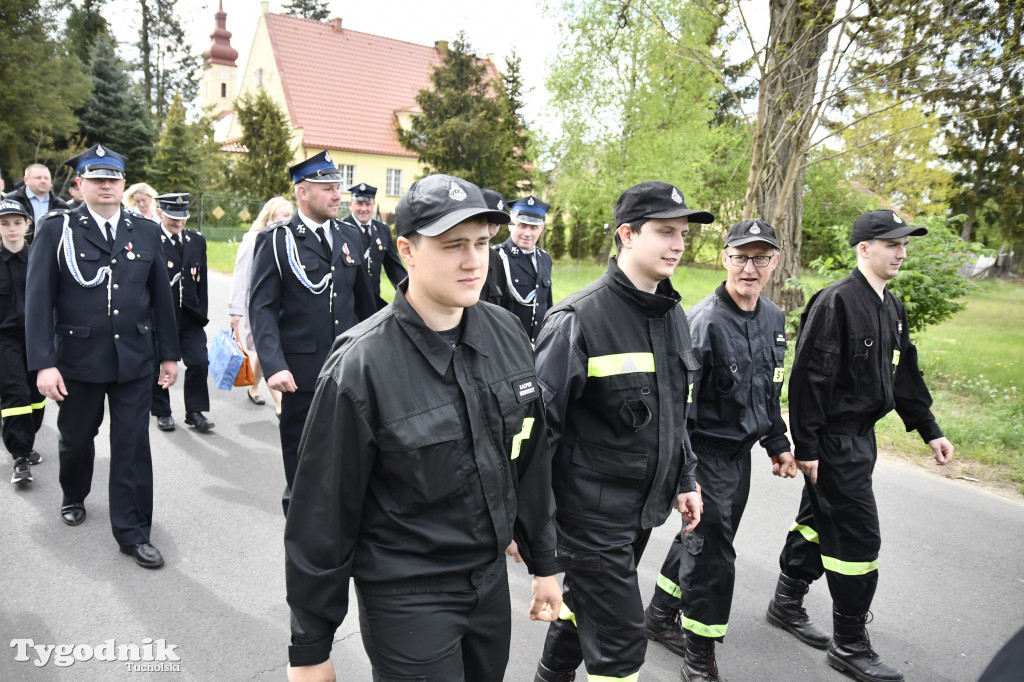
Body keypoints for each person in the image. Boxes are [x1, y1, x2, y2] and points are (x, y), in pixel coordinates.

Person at [285, 173, 562, 682]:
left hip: (488, 583)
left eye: (481, 243)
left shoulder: (505, 332)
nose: (473, 260)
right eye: (453, 245)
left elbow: (530, 456)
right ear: (407, 250)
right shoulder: (361, 365)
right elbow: (321, 514)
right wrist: (310, 648)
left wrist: (545, 561)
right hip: (408, 593)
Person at [767, 209, 955, 682]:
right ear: (864, 249)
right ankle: (849, 643)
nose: (901, 252)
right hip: (832, 442)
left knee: (817, 522)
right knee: (858, 539)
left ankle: (786, 602)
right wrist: (807, 446)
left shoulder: (891, 305)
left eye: (905, 244)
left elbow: (904, 373)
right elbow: (809, 380)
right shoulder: (836, 303)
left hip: (861, 440)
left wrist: (930, 428)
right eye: (892, 244)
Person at [532, 181, 708, 682]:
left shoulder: (672, 312)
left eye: (683, 234)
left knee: (583, 605)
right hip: (588, 515)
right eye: (665, 232)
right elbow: (536, 432)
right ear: (627, 235)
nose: (678, 244)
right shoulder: (577, 319)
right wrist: (528, 523)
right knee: (622, 645)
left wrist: (685, 479)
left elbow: (674, 411)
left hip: (639, 508)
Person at [643, 218, 798, 681]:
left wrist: (777, 442)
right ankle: (699, 659)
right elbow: (679, 412)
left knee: (700, 541)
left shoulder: (773, 317)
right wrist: (685, 476)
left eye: (761, 258)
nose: (750, 267)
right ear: (725, 259)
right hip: (704, 455)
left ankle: (658, 615)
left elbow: (768, 390)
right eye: (741, 257)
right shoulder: (702, 322)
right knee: (713, 557)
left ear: (775, 262)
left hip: (740, 457)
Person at [26, 143, 180, 569]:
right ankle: (74, 492)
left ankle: (133, 533)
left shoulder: (145, 230)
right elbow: (38, 302)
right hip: (77, 359)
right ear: (79, 186)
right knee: (76, 440)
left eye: (113, 178)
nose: (106, 185)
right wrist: (43, 363)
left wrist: (169, 354)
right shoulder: (58, 230)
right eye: (97, 179)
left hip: (133, 359)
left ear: (124, 184)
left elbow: (161, 301)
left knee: (132, 447)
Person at [249, 151, 376, 516]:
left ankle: (343, 518)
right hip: (300, 372)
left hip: (350, 368)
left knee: (351, 450)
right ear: (302, 192)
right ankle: (302, 522)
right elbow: (263, 308)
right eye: (328, 188)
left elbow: (365, 305)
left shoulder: (351, 235)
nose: (338, 195)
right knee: (303, 455)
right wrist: (273, 364)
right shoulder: (277, 240)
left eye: (338, 187)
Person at [150, 193, 214, 433]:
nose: (178, 223)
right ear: (159, 214)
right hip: (160, 315)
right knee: (160, 363)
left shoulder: (196, 240)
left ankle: (195, 411)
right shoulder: (151, 239)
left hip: (189, 314)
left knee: (199, 361)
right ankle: (162, 411)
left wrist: (202, 312)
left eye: (183, 218)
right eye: (172, 218)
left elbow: (202, 281)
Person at [228, 196, 292, 415]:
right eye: (285, 216)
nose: (289, 220)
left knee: (264, 348)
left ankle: (254, 386)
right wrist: (235, 310)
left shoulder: (288, 238)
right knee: (267, 348)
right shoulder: (253, 239)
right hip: (257, 305)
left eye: (291, 216)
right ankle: (280, 402)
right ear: (272, 218)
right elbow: (240, 276)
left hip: (281, 304)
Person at [0, 200, 45, 485]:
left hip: (36, 338)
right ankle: (20, 458)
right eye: (4, 223)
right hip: (4, 340)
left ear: (28, 224)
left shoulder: (40, 260)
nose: (11, 229)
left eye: (17, 222)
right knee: (15, 395)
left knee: (36, 397)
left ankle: (26, 440)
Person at [493, 195, 553, 343]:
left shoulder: (545, 259)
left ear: (542, 228)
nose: (528, 233)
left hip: (538, 342)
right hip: (507, 342)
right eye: (522, 225)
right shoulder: (496, 257)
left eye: (534, 227)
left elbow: (546, 303)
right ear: (510, 225)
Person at [340, 182, 405, 309]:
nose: (363, 209)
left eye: (368, 204)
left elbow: (394, 267)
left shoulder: (382, 230)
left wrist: (409, 291)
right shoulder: (341, 229)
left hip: (373, 302)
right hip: (349, 304)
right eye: (359, 203)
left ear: (373, 205)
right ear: (350, 204)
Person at [4, 163, 68, 240]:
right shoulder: (10, 201)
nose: (43, 181)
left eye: (46, 178)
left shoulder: (61, 205)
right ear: (26, 180)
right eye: (38, 178)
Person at [479, 188, 510, 306]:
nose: (491, 231)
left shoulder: (495, 258)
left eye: (497, 225)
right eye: (488, 223)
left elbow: (504, 304)